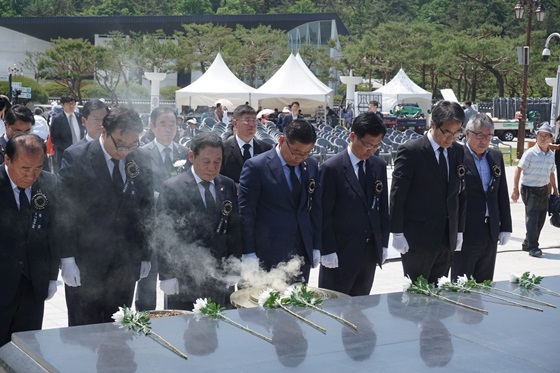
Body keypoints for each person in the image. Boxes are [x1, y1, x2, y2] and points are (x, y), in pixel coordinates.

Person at [58, 106, 154, 326]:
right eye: (121, 144)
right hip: (87, 262)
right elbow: (65, 211)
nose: (126, 151)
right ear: (104, 131)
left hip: (125, 263)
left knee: (117, 328)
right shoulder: (77, 157)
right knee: (84, 331)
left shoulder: (139, 159)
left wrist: (146, 254)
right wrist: (67, 259)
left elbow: (147, 209)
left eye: (133, 144)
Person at [157, 132, 241, 311]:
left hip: (220, 272)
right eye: (206, 161)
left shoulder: (227, 185)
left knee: (220, 324)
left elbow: (235, 229)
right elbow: (163, 234)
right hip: (185, 275)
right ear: (191, 157)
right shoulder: (172, 187)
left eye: (217, 162)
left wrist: (234, 267)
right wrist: (167, 275)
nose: (212, 167)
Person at [390, 100, 467, 283]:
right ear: (432, 124)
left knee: (439, 295)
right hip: (418, 239)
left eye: (457, 133)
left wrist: (459, 230)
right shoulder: (412, 151)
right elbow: (397, 195)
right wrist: (397, 232)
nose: (451, 138)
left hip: (446, 238)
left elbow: (460, 194)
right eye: (447, 132)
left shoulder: (457, 152)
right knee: (417, 296)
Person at [239, 119, 321, 282]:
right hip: (267, 254)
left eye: (306, 153)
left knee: (298, 304)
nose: (300, 158)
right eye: (296, 152)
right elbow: (245, 214)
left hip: (301, 253)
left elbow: (315, 207)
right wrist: (248, 253)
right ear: (282, 140)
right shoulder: (256, 167)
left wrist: (316, 245)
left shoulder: (310, 164)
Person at [318, 112, 390, 296]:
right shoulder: (331, 168)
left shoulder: (378, 166)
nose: (371, 150)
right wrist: (327, 249)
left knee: (361, 309)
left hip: (368, 253)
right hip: (340, 253)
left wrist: (382, 244)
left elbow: (382, 208)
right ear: (352, 136)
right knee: (333, 308)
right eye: (367, 145)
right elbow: (324, 213)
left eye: (376, 145)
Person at [0, 134, 58, 346]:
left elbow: (54, 232)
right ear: (8, 160)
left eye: (38, 168)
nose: (32, 175)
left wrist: (52, 276)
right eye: (25, 169)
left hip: (33, 284)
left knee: (27, 346)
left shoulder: (49, 184)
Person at [134, 106, 188, 311]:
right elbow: (138, 190)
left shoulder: (185, 153)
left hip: (177, 226)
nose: (168, 129)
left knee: (174, 278)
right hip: (150, 225)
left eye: (172, 124)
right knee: (147, 280)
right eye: (162, 124)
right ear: (152, 126)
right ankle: (144, 321)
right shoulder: (140, 154)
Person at [451, 114, 512, 282]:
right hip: (466, 230)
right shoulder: (457, 155)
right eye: (480, 135)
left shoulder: (495, 156)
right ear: (467, 133)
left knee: (484, 283)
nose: (484, 140)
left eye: (488, 136)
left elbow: (501, 193)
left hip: (490, 231)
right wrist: (455, 230)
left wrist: (506, 226)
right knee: (461, 283)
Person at [511, 122, 558, 257]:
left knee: (541, 219)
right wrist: (515, 189)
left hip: (543, 189)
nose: (543, 138)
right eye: (540, 135)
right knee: (532, 218)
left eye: (546, 136)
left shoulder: (551, 155)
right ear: (537, 136)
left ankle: (528, 242)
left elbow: (551, 173)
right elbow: (518, 170)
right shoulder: (530, 153)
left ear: (551, 139)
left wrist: (555, 189)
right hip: (529, 189)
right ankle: (533, 247)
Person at [221, 105, 273, 184]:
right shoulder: (223, 149)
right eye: (247, 120)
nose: (252, 124)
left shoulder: (266, 149)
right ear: (235, 123)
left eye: (254, 120)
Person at [50, 93, 84, 171]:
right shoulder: (57, 119)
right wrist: (69, 148)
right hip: (64, 154)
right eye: (68, 104)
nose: (71, 106)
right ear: (62, 104)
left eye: (73, 103)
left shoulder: (80, 117)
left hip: (80, 153)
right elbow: (54, 139)